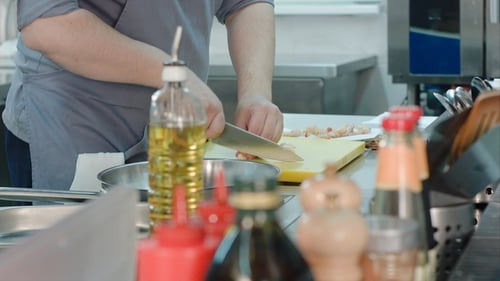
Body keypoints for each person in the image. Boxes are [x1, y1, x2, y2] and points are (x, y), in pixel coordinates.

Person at [2, 0, 283, 191]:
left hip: (174, 137)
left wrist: (255, 92)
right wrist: (172, 75)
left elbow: (245, 4)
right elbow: (48, 26)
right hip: (76, 131)